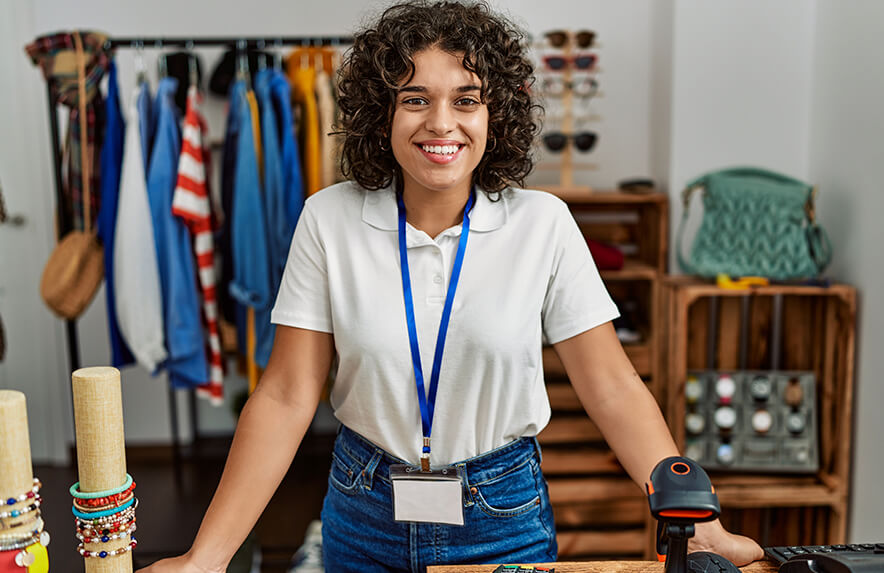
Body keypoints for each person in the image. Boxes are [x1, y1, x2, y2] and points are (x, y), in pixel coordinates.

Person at [139, 2, 764, 571]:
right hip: (363, 510)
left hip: (501, 517)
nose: (442, 124)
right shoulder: (327, 219)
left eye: (466, 99)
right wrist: (207, 557)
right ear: (380, 112)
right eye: (415, 98)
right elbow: (284, 394)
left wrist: (695, 523)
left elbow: (612, 386)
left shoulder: (543, 224)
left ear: (496, 113)